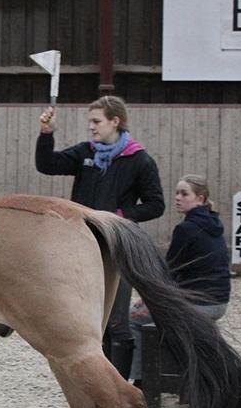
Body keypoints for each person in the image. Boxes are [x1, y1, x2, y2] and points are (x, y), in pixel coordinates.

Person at [36, 95, 164, 377]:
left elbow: (156, 205)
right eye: (90, 122)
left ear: (115, 122)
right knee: (94, 323)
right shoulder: (86, 153)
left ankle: (119, 383)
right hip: (83, 248)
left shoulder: (140, 160)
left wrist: (119, 215)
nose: (91, 127)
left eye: (97, 121)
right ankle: (101, 381)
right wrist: (47, 133)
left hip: (117, 248)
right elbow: (47, 165)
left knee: (118, 322)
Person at [127, 174, 231, 383]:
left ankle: (141, 382)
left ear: (200, 199)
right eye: (176, 193)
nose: (177, 198)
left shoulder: (186, 229)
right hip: (219, 302)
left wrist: (147, 298)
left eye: (184, 194)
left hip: (198, 304)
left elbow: (169, 270)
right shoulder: (213, 223)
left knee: (133, 318)